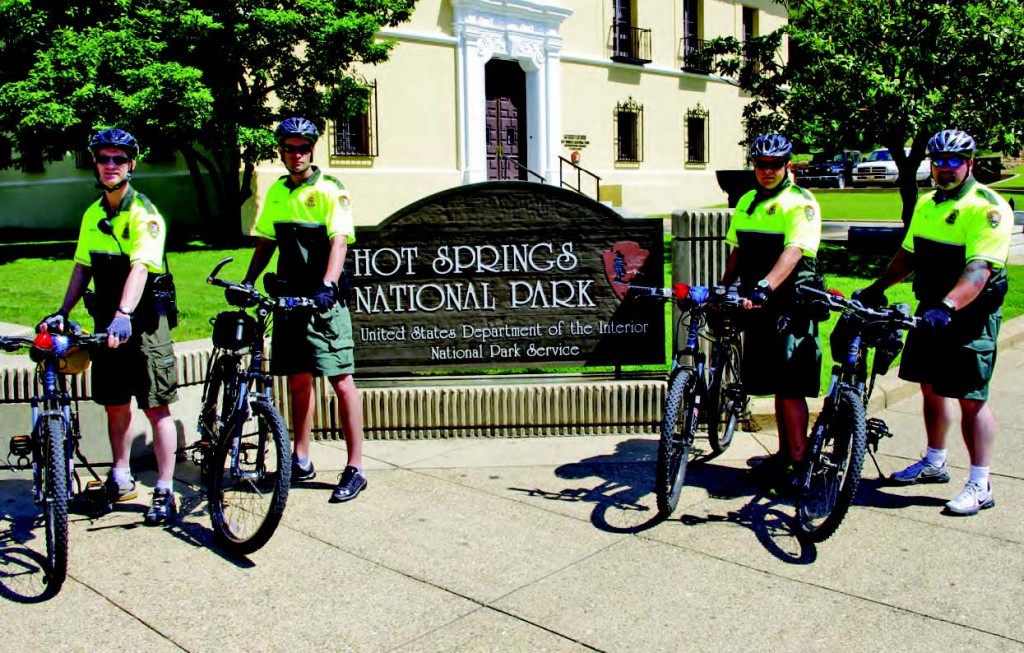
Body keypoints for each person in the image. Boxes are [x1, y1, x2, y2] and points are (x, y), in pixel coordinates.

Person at [855, 128, 1012, 516]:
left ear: (969, 164)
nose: (944, 169)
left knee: (971, 399)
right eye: (938, 161)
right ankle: (934, 462)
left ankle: (980, 483)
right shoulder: (927, 203)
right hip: (932, 311)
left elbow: (979, 270)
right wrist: (878, 287)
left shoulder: (987, 208)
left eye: (953, 162)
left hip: (970, 316)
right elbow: (909, 256)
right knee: (930, 388)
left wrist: (948, 304)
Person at [41, 128, 179, 526]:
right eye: (104, 159)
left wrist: (124, 313)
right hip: (108, 324)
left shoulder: (145, 214)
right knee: (115, 402)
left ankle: (165, 490)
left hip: (145, 323)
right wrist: (63, 310)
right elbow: (83, 266)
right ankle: (120, 477)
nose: (111, 166)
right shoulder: (93, 213)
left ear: (131, 165)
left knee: (156, 405)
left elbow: (140, 268)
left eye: (119, 159)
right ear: (96, 164)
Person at [235, 117, 366, 503]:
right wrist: (249, 280)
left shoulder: (330, 190)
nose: (297, 154)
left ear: (313, 149)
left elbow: (339, 242)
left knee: (341, 382)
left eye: (304, 147)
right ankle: (301, 457)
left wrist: (327, 285)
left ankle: (355, 467)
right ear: (281, 150)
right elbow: (266, 241)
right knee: (297, 380)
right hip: (290, 303)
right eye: (290, 148)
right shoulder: (277, 191)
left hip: (323, 303)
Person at [719, 133, 823, 494]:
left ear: (787, 165)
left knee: (791, 384)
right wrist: (723, 285)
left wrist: (766, 284)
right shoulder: (747, 200)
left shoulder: (801, 203)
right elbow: (738, 251)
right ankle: (783, 455)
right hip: (758, 302)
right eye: (761, 165)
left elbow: (794, 251)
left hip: (791, 302)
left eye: (775, 165)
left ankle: (799, 462)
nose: (767, 171)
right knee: (774, 382)